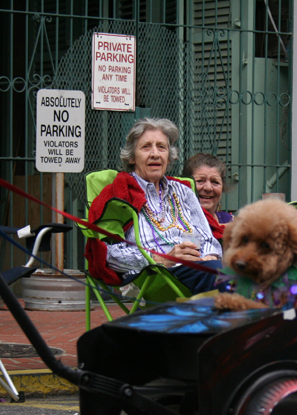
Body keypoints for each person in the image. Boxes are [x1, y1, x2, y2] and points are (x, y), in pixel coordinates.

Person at [85, 118, 223, 296]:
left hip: (199, 268)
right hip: (154, 275)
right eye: (146, 147)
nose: (155, 154)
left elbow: (205, 237)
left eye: (161, 147)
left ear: (169, 156)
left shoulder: (183, 191)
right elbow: (107, 254)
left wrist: (208, 256)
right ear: (133, 157)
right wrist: (161, 258)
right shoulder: (120, 193)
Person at [181, 153, 233, 240]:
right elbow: (193, 250)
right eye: (200, 181)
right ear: (186, 184)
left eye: (215, 182)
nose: (208, 188)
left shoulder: (229, 221)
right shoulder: (177, 223)